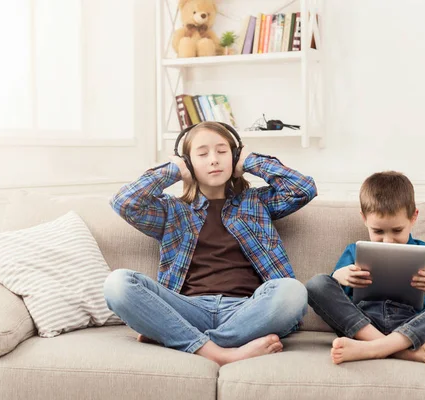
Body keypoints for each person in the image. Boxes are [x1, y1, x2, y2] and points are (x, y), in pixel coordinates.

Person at [104, 121, 317, 366]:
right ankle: (223, 353)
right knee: (117, 283)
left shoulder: (256, 202)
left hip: (248, 310)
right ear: (187, 162)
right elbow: (124, 202)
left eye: (222, 151)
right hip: (187, 309)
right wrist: (172, 170)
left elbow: (303, 189)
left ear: (234, 156)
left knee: (293, 291)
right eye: (202, 154)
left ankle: (179, 338)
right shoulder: (171, 210)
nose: (213, 160)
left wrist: (250, 161)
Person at [306, 171, 425, 365]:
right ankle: (400, 351)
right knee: (316, 284)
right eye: (378, 231)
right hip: (363, 323)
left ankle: (373, 348)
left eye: (397, 230)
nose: (388, 240)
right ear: (364, 219)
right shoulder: (354, 251)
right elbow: (335, 297)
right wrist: (339, 277)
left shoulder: (424, 252)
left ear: (413, 218)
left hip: (411, 325)